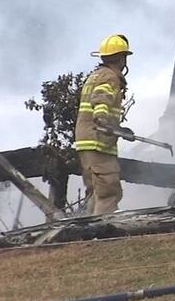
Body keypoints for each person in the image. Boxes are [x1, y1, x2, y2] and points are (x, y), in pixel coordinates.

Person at [74, 34, 132, 215]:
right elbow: (100, 98)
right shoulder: (109, 77)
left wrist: (118, 130)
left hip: (86, 142)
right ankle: (104, 232)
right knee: (109, 191)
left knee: (95, 192)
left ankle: (90, 234)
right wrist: (103, 121)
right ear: (121, 58)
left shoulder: (95, 75)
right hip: (98, 141)